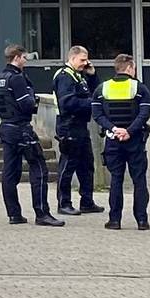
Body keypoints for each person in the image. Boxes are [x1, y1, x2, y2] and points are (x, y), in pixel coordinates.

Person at [0, 46, 61, 226]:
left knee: (9, 172)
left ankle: (14, 214)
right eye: (24, 57)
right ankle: (42, 214)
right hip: (21, 129)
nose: (26, 60)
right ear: (16, 58)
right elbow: (27, 105)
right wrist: (34, 100)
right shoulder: (17, 79)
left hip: (6, 127)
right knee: (39, 168)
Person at [93, 52, 150, 230]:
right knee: (139, 180)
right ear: (129, 68)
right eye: (134, 68)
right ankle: (142, 221)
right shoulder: (140, 89)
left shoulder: (102, 89)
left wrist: (113, 129)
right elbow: (144, 114)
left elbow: (97, 115)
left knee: (116, 180)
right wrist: (129, 131)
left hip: (113, 141)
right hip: (135, 141)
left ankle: (114, 220)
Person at [51, 45, 102, 216]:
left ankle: (87, 201)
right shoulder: (65, 77)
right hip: (68, 125)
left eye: (86, 59)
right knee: (68, 165)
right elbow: (68, 103)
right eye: (82, 60)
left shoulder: (79, 76)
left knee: (87, 165)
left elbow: (94, 93)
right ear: (72, 58)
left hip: (80, 126)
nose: (85, 63)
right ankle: (63, 203)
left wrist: (92, 75)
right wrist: (92, 104)